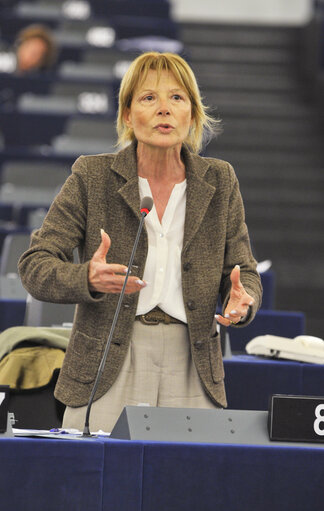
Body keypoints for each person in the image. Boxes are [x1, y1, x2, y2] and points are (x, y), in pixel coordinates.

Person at [18, 51, 262, 432]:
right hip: (109, 359)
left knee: (186, 486)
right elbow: (35, 265)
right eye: (149, 98)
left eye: (177, 98)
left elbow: (244, 271)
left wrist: (242, 300)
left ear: (193, 115)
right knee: (100, 484)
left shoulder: (221, 180)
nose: (164, 109)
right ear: (128, 116)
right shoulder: (92, 175)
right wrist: (88, 278)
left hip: (192, 362)